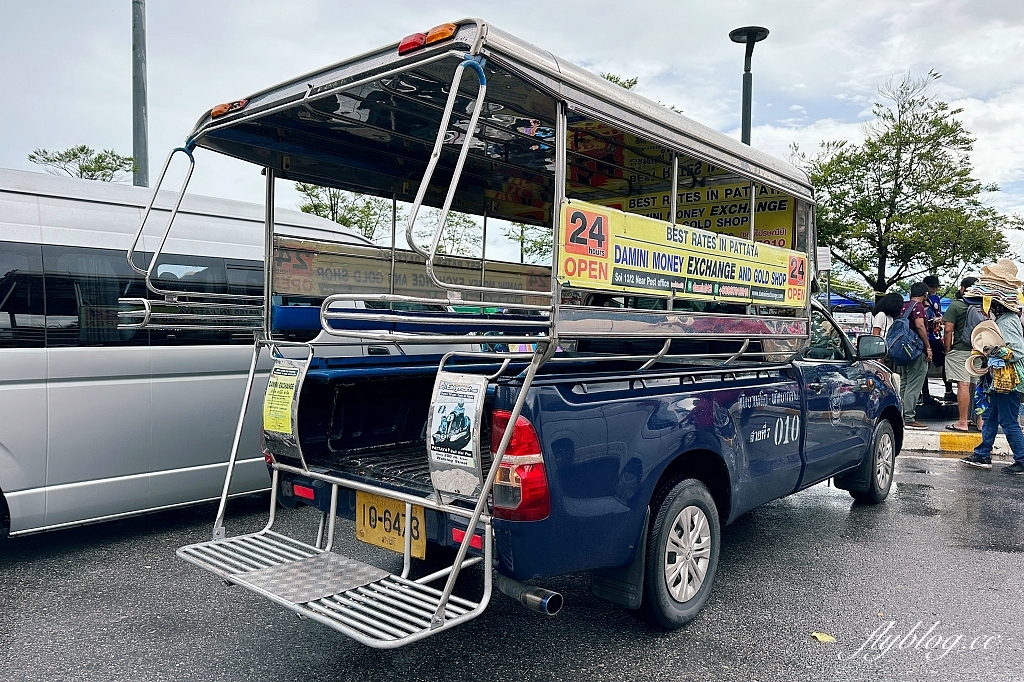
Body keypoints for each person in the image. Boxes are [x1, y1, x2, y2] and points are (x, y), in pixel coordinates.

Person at [958, 259, 1024, 474]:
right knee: (991, 417)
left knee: (1007, 420)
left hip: (1008, 382)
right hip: (998, 381)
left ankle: (1022, 459)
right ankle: (983, 453)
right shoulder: (1004, 319)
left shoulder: (1008, 321)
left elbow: (1019, 351)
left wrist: (993, 351)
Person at [943, 276, 979, 432]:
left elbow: (948, 329)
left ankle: (963, 422)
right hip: (978, 350)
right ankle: (980, 422)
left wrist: (947, 349)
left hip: (960, 350)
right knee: (978, 385)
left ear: (963, 289)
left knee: (963, 384)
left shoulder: (956, 305)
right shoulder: (984, 305)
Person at [899, 282, 933, 430]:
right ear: (925, 294)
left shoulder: (904, 306)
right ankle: (909, 417)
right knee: (914, 383)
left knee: (904, 383)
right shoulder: (918, 307)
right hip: (916, 350)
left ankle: (900, 413)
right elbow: (919, 325)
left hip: (904, 350)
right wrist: (928, 346)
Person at [922, 275, 952, 403]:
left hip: (935, 335)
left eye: (935, 287)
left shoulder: (936, 299)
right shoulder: (923, 299)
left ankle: (949, 391)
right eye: (932, 287)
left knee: (946, 362)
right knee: (923, 367)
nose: (934, 289)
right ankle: (925, 394)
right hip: (926, 336)